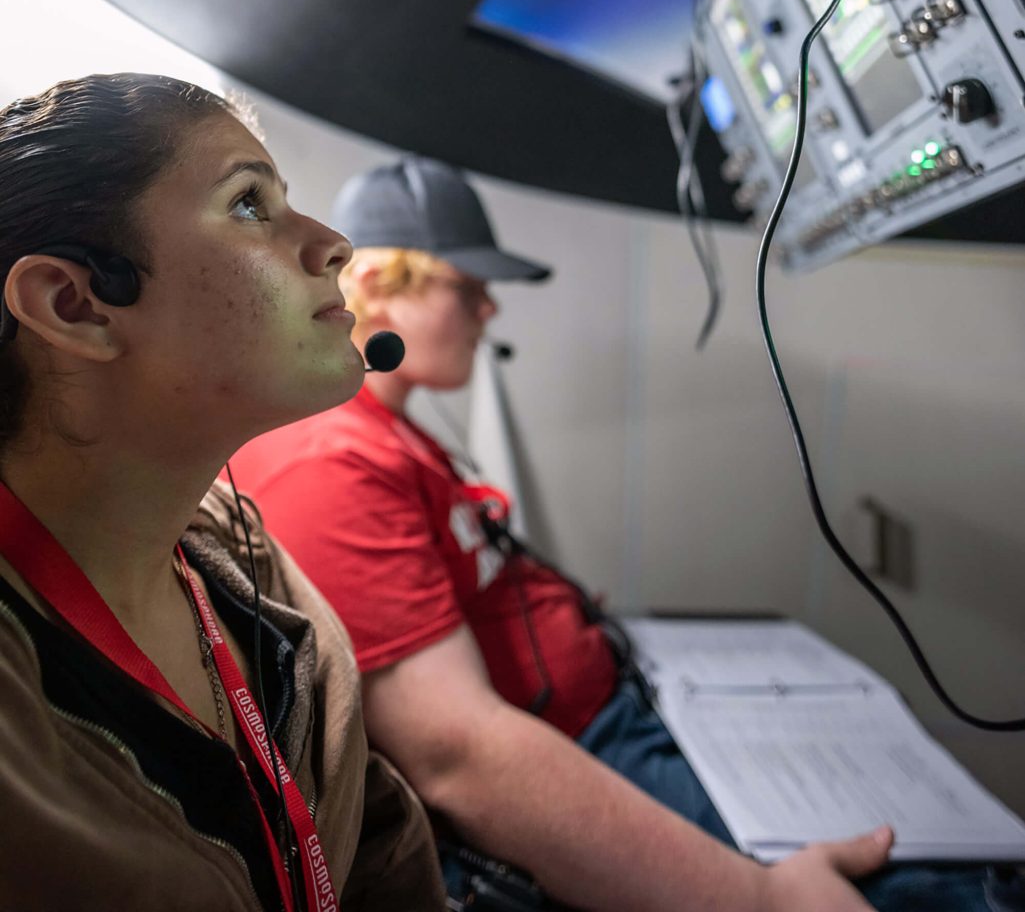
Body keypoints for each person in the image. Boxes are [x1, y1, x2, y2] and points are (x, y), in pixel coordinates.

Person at [233, 153, 1002, 912]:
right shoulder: (329, 458)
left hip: (608, 708)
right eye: (467, 288)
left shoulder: (388, 431)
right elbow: (455, 754)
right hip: (585, 743)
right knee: (930, 884)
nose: (488, 310)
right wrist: (762, 898)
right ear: (376, 288)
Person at [0, 76, 446, 912]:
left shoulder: (243, 561)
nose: (334, 245)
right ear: (76, 304)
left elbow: (374, 842)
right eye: (248, 204)